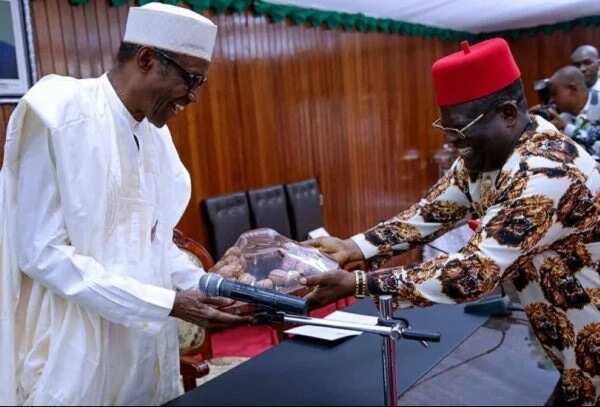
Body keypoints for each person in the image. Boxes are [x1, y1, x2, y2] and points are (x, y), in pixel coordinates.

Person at [305, 38, 600, 405]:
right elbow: (431, 212)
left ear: (508, 114)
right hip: (574, 352)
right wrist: (353, 246)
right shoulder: (488, 155)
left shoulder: (548, 172)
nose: (450, 143)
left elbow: (471, 273)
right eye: (446, 130)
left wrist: (359, 283)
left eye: (459, 130)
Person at [0, 3, 252, 405]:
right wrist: (168, 302)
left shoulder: (155, 135)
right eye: (190, 79)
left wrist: (205, 285)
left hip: (144, 344)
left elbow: (153, 246)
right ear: (147, 59)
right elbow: (41, 253)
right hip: (76, 347)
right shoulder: (58, 112)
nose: (193, 96)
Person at [538, 65, 600, 158]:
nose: (552, 100)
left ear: (573, 89)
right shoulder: (563, 116)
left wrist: (566, 128)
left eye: (555, 93)